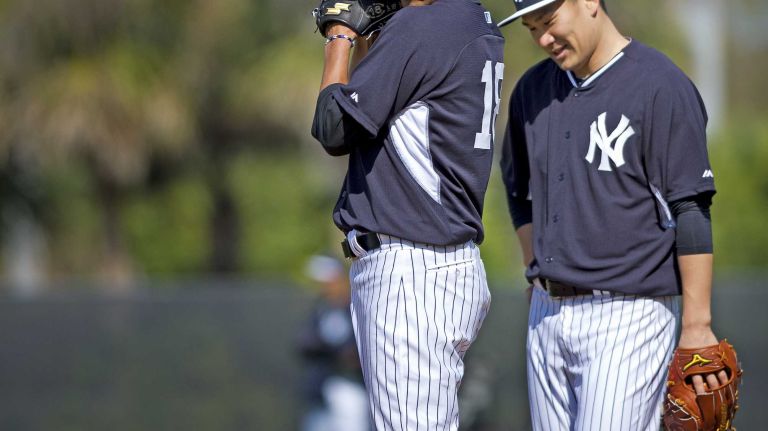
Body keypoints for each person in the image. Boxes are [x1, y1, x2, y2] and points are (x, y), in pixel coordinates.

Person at [497, 1, 729, 429]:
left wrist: (697, 325)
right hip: (546, 316)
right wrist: (535, 266)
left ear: (589, 3)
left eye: (548, 21)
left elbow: (690, 207)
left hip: (627, 315)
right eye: (532, 28)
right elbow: (519, 191)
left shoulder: (660, 85)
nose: (543, 38)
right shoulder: (532, 90)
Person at [310, 0, 504, 429]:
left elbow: (333, 127)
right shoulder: (473, 22)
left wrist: (341, 37)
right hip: (437, 263)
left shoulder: (423, 25)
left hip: (411, 270)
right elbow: (377, 112)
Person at [297, 255, 371, 431]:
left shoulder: (356, 306)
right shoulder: (321, 309)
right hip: (320, 391)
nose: (323, 286)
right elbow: (303, 344)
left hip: (352, 387)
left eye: (328, 280)